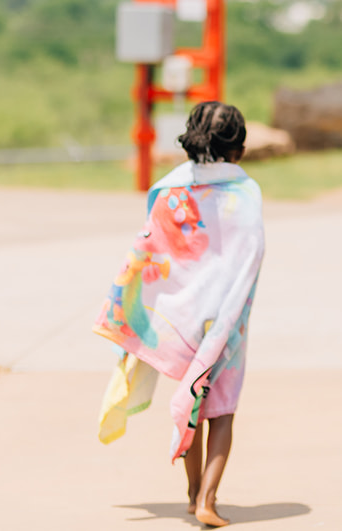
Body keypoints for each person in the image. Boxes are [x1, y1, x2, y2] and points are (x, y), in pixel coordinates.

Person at [95, 101, 264, 528]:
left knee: (194, 400)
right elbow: (250, 255)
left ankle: (191, 495)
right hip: (224, 319)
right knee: (221, 410)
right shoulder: (244, 193)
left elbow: (151, 250)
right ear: (238, 149)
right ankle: (208, 498)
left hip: (183, 318)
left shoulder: (169, 189)